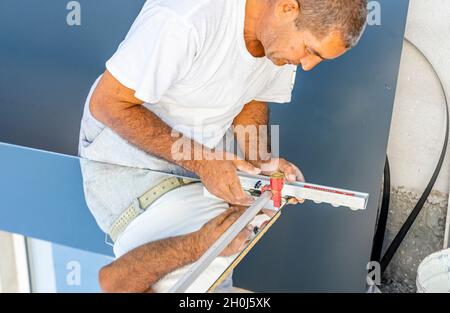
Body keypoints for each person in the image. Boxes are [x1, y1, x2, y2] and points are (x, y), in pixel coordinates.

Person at [78, 0, 368, 292]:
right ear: (286, 8)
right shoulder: (186, 17)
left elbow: (252, 95)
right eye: (310, 50)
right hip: (128, 162)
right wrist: (203, 162)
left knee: (222, 244)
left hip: (199, 150)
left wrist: (260, 160)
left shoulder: (277, 40)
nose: (307, 64)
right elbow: (107, 104)